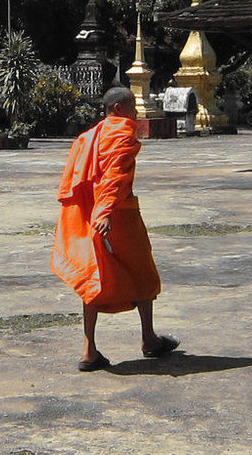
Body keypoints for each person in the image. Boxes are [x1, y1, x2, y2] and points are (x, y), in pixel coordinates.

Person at [52, 85, 178, 370]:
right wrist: (106, 212)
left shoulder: (87, 137)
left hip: (88, 216)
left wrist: (96, 212)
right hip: (117, 216)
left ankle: (89, 350)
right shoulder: (121, 131)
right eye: (133, 106)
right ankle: (148, 339)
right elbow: (115, 176)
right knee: (143, 272)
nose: (136, 112)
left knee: (92, 276)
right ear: (118, 109)